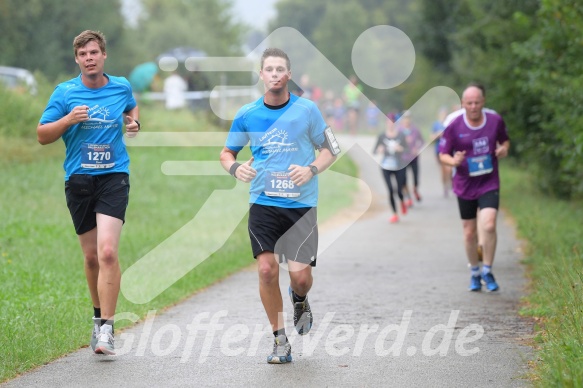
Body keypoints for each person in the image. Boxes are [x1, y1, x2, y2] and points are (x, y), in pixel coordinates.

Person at [219, 48, 339, 364]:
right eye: (269, 69)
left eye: (280, 69)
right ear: (262, 75)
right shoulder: (248, 114)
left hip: (300, 205)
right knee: (266, 269)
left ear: (288, 75)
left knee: (300, 278)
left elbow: (331, 149)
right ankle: (280, 340)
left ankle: (299, 298)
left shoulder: (308, 110)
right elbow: (226, 153)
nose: (274, 74)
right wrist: (235, 168)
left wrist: (311, 169)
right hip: (263, 203)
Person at [36, 30, 140, 355]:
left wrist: (134, 124)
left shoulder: (121, 86)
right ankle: (98, 318)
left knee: (108, 251)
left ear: (103, 55)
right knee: (92, 256)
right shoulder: (64, 93)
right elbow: (42, 135)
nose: (89, 58)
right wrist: (67, 119)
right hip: (79, 180)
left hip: (114, 177)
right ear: (77, 59)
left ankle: (108, 328)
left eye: (94, 52)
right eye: (83, 55)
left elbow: (132, 108)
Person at [438, 83, 510, 292]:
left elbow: (505, 141)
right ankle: (475, 272)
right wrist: (454, 161)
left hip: (489, 182)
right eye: (469, 103)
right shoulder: (454, 125)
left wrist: (503, 150)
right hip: (464, 184)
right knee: (469, 233)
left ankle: (487, 269)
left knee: (488, 225)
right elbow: (443, 154)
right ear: (462, 104)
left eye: (477, 102)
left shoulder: (495, 120)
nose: (473, 106)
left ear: (483, 101)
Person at [373, 113, 408, 223]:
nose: (390, 124)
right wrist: (379, 150)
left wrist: (400, 149)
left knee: (399, 190)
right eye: (388, 122)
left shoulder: (401, 135)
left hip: (399, 166)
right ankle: (395, 214)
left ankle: (402, 201)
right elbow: (374, 151)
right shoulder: (382, 136)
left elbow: (408, 150)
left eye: (392, 122)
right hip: (386, 167)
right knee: (390, 190)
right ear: (386, 123)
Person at [398, 111, 425, 207]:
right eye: (405, 118)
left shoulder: (415, 130)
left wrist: (417, 148)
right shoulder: (399, 130)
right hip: (403, 158)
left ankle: (415, 190)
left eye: (408, 118)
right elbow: (395, 142)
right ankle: (408, 198)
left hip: (413, 158)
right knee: (403, 180)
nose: (407, 120)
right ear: (402, 120)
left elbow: (422, 141)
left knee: (416, 178)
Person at [431, 107, 452, 197]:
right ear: (439, 114)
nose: (444, 115)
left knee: (449, 169)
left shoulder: (450, 123)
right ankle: (445, 186)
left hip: (450, 149)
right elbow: (431, 138)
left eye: (445, 113)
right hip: (439, 150)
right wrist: (438, 134)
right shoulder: (436, 124)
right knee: (443, 170)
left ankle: (451, 181)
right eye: (442, 113)